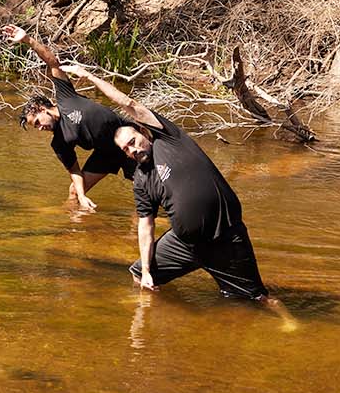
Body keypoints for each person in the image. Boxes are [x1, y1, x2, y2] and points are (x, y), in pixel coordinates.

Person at [60, 62, 290, 320]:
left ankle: (287, 321)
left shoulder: (169, 139)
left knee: (257, 297)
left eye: (133, 142)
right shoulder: (141, 181)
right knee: (138, 275)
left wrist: (90, 76)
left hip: (225, 236)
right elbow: (145, 227)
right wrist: (147, 269)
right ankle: (152, 322)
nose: (133, 150)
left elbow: (130, 104)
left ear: (144, 132)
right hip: (183, 245)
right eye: (126, 150)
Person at [3, 25, 137, 211]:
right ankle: (71, 231)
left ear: (42, 109)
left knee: (143, 191)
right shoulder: (59, 142)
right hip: (107, 154)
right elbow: (74, 170)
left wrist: (28, 40)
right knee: (74, 191)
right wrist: (82, 196)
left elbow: (52, 63)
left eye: (38, 122)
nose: (40, 128)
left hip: (131, 139)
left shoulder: (66, 96)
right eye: (36, 127)